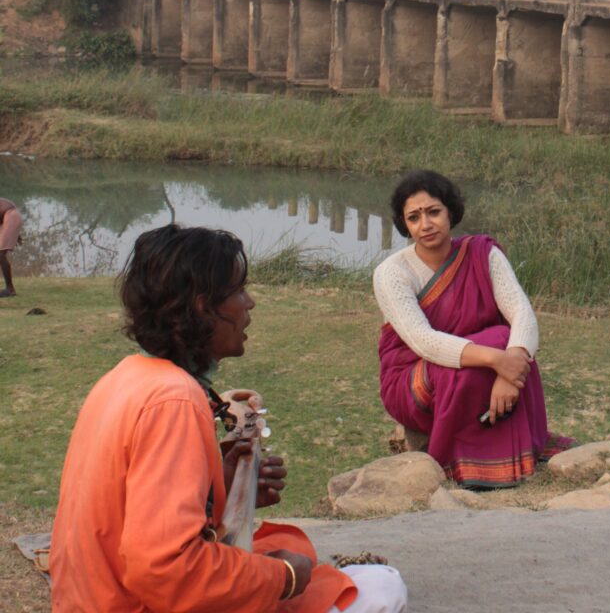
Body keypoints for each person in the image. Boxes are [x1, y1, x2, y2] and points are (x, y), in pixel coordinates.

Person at [50, 224, 407, 613]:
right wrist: (284, 578)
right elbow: (164, 571)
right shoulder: (175, 400)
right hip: (134, 602)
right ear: (204, 308)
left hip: (89, 599)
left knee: (290, 547)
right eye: (239, 291)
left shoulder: (126, 376)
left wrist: (222, 485)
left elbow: (136, 519)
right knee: (380, 587)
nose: (249, 303)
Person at [375, 170, 572, 489]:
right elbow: (424, 342)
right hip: (413, 377)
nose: (425, 224)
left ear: (450, 211)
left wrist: (512, 368)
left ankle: (502, 453)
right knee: (489, 350)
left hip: (483, 364)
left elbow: (522, 312)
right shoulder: (391, 273)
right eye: (414, 217)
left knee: (507, 338)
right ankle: (464, 464)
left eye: (433, 212)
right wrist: (498, 362)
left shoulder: (482, 253)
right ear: (405, 225)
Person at [0, 197, 22, 297]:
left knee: (0, 254)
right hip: (8, 218)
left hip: (10, 217)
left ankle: (10, 289)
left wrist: (14, 232)